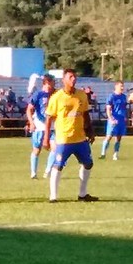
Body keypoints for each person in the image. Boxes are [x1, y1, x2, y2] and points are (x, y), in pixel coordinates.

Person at [43, 69, 98, 203]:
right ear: (64, 80)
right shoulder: (57, 97)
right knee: (58, 165)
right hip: (64, 139)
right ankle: (53, 197)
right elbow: (49, 118)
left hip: (80, 138)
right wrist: (46, 138)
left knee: (88, 164)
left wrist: (90, 131)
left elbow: (85, 114)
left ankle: (82, 194)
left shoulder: (81, 95)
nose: (73, 79)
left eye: (75, 76)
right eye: (70, 77)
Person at [26, 74, 57, 179]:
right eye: (52, 83)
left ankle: (48, 171)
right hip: (40, 126)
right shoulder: (38, 94)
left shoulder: (56, 94)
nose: (54, 85)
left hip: (52, 126)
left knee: (55, 148)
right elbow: (29, 109)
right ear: (46, 83)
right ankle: (33, 173)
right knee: (37, 150)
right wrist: (31, 122)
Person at [100, 81, 127, 160]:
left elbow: (124, 108)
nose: (122, 88)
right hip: (114, 119)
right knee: (109, 136)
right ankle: (103, 154)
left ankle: (115, 154)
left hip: (121, 120)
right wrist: (111, 119)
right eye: (121, 86)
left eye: (123, 86)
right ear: (116, 86)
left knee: (119, 138)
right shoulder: (111, 96)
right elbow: (108, 109)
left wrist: (125, 117)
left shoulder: (124, 97)